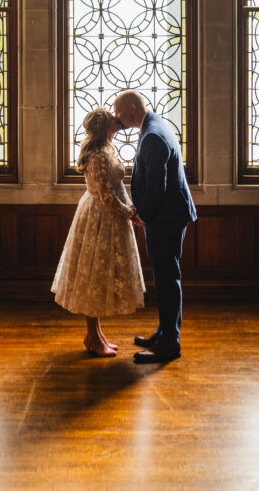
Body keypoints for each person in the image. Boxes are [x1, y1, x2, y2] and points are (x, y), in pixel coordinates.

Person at [51, 107, 145, 357]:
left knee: (99, 275)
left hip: (107, 217)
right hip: (100, 219)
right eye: (111, 119)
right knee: (95, 275)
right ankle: (93, 337)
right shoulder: (100, 155)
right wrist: (131, 214)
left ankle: (96, 334)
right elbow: (108, 199)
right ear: (103, 127)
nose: (117, 120)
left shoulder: (105, 149)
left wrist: (129, 209)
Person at [113, 90, 196, 363]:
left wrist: (143, 216)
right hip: (166, 215)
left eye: (119, 112)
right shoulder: (155, 126)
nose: (117, 118)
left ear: (132, 108)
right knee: (164, 277)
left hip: (165, 217)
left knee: (167, 278)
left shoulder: (152, 136)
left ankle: (170, 343)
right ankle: (164, 332)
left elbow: (157, 187)